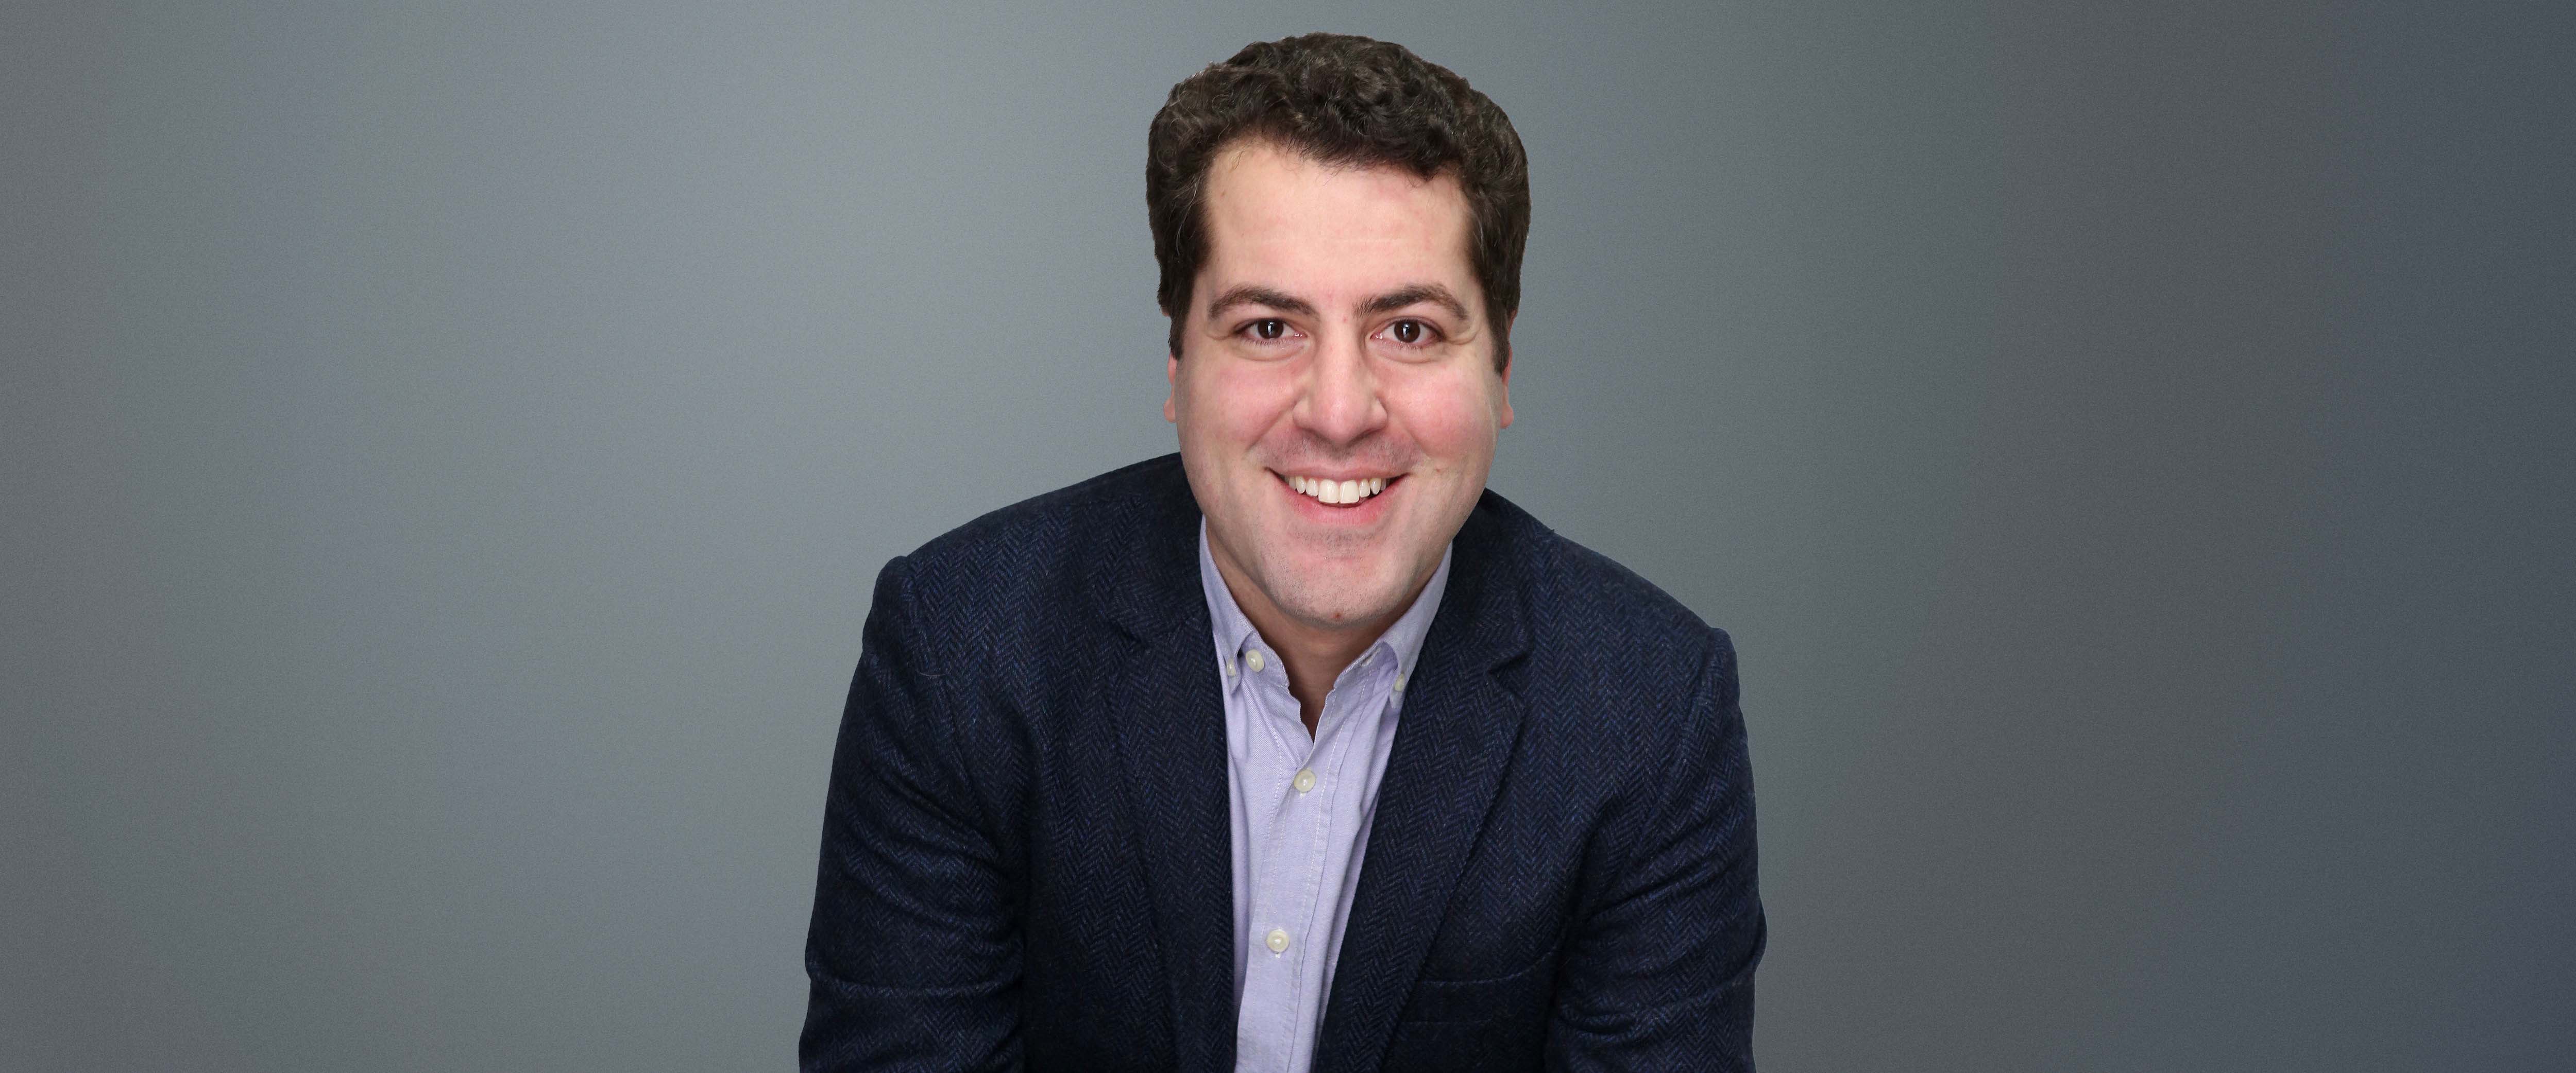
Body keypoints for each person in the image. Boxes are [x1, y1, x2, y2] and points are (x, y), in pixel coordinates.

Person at [801, 32, 1762, 1073]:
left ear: (1500, 368)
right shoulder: (963, 653)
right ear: (1178, 366)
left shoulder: (1649, 714)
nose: (1340, 413)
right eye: (1267, 328)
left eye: (1408, 331)